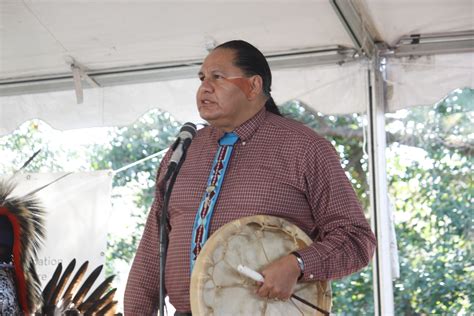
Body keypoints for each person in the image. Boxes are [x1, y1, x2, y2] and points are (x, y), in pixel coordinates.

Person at [124, 40, 376, 315]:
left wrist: (298, 264)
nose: (204, 88)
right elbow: (152, 248)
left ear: (253, 86)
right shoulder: (183, 152)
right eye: (202, 78)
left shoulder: (304, 147)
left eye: (217, 77)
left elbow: (355, 238)